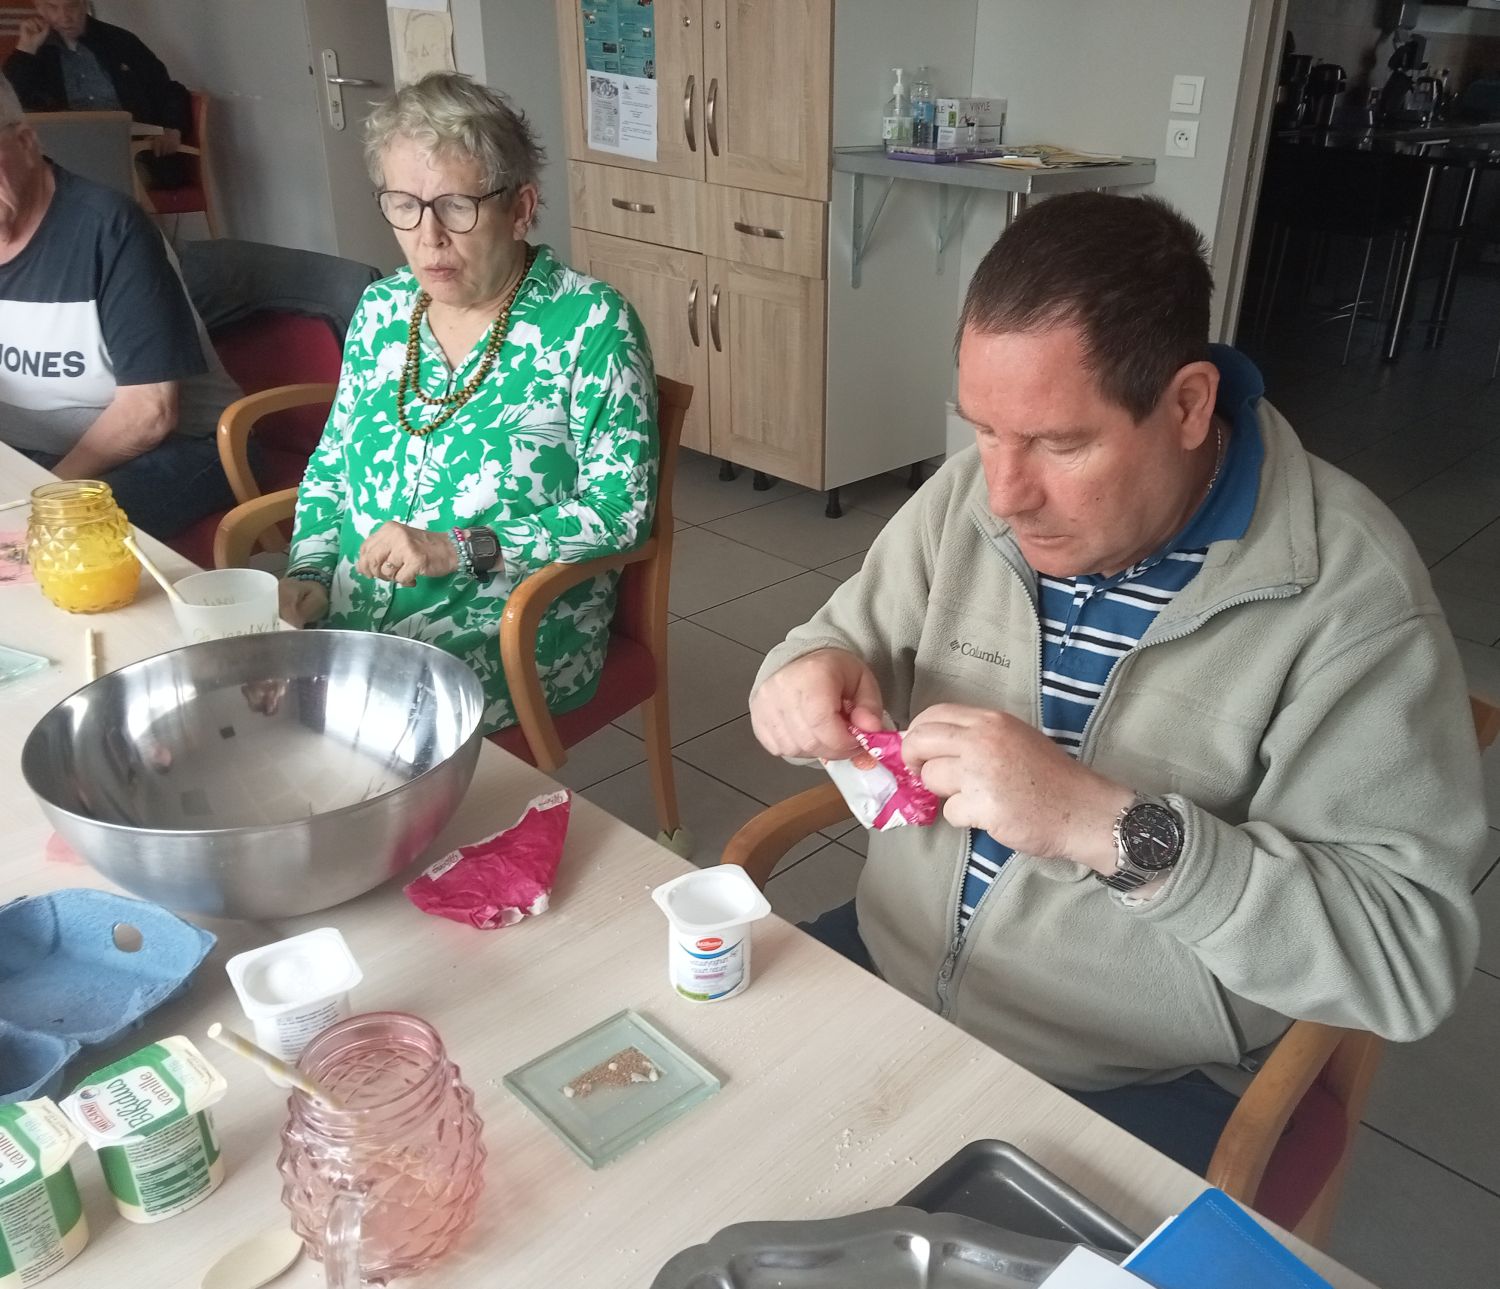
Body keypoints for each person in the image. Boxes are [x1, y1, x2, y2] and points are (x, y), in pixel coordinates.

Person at [749, 192, 1486, 1173]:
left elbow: (1406, 957)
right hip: (888, 971)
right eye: (984, 431)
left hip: (1133, 1074)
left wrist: (1107, 824)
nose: (1005, 494)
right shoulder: (970, 495)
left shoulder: (1349, 599)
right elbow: (838, 635)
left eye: (1061, 444)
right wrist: (800, 674)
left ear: (1186, 406)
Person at [281, 72, 657, 737]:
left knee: (352, 764)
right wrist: (309, 572)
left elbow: (619, 515)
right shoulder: (381, 309)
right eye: (403, 203)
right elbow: (334, 461)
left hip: (504, 634)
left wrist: (459, 547)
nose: (428, 237)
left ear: (521, 207)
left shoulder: (591, 326)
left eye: (457, 207)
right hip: (354, 618)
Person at [0, 78, 242, 539]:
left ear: (25, 142)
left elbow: (148, 414)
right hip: (35, 454)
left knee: (54, 541)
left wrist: (41, 494)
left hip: (181, 448)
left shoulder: (108, 229)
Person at [4, 0, 191, 188]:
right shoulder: (35, 53)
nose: (64, 16)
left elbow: (168, 91)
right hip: (63, 154)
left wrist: (172, 128)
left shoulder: (120, 41)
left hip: (128, 151)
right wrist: (25, 51)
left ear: (85, 4)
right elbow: (7, 103)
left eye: (72, 6)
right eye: (53, 7)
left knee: (106, 191)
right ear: (39, 8)